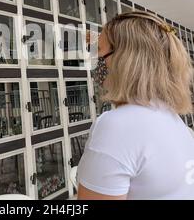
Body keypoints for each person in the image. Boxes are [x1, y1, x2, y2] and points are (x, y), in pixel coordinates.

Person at [77, 11, 194, 200]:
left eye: (100, 53)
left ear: (124, 60)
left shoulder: (117, 125)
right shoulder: (172, 118)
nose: (96, 63)